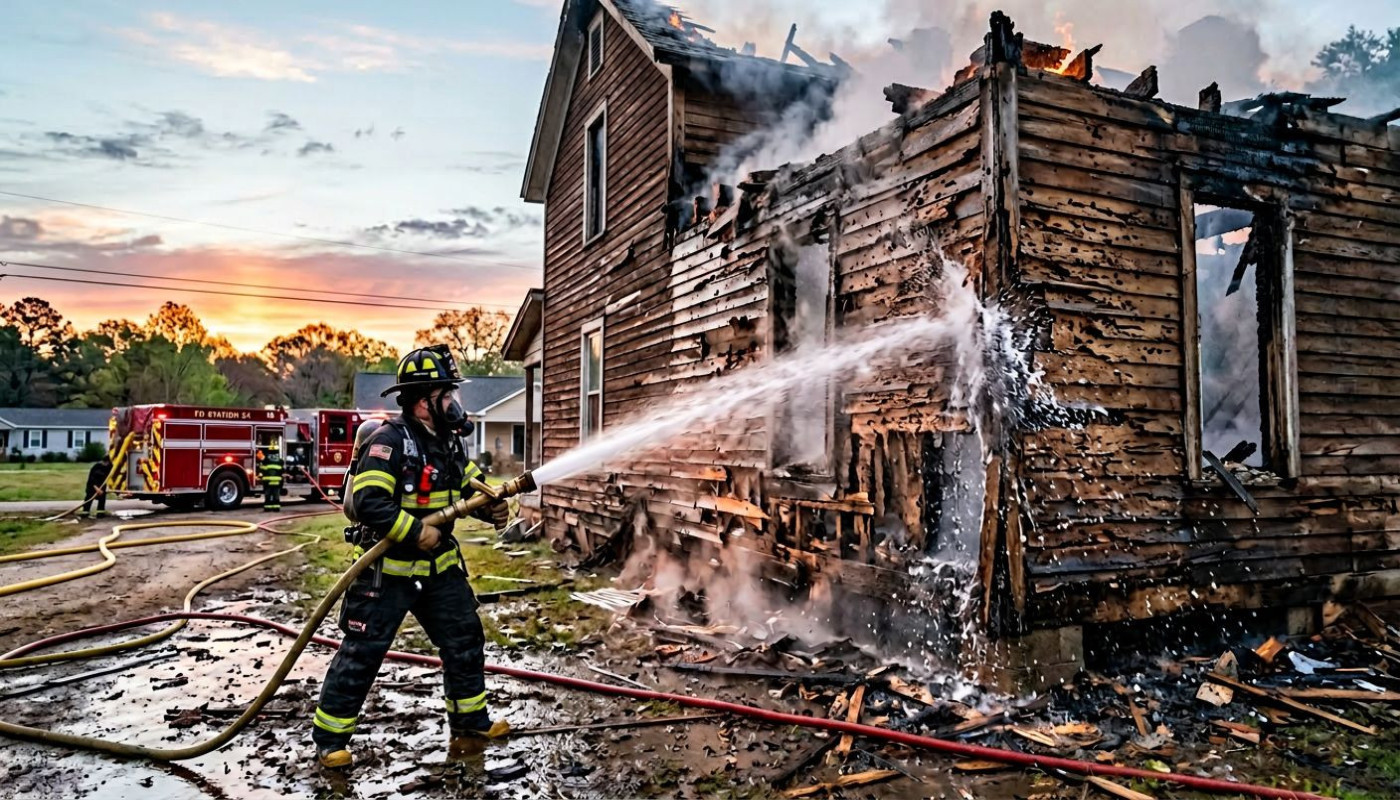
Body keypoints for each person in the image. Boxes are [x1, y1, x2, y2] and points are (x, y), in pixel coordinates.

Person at [311, 345, 512, 769]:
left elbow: (470, 484)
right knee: (363, 652)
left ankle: (469, 720)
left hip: (438, 570)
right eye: (447, 396)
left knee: (464, 639)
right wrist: (416, 531)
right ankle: (331, 739)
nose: (454, 404)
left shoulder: (447, 444)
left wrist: (492, 505)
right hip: (388, 572)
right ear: (424, 401)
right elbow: (368, 502)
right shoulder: (388, 442)